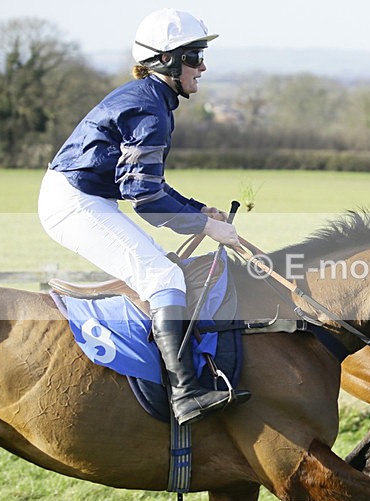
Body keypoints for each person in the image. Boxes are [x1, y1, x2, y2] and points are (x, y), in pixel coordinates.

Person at [38, 8, 250, 425]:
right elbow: (144, 197)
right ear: (166, 60)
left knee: (161, 270)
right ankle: (187, 393)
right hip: (74, 202)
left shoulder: (152, 101)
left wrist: (196, 210)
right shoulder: (150, 109)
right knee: (163, 276)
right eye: (193, 56)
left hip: (83, 197)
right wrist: (208, 227)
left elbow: (143, 183)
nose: (202, 66)